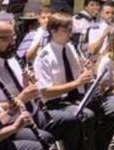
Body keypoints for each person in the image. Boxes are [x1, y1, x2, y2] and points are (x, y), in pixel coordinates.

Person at [0, 20, 84, 150]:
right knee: (45, 139)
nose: (12, 43)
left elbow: (24, 89)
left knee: (73, 120)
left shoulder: (12, 58)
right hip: (12, 123)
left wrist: (28, 83)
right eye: (6, 39)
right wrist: (22, 97)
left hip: (33, 113)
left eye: (13, 37)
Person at [31, 13, 97, 149]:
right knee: (86, 116)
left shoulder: (71, 48)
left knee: (100, 109)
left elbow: (79, 76)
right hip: (55, 103)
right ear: (53, 31)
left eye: (70, 30)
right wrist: (77, 83)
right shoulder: (44, 57)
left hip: (77, 97)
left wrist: (88, 70)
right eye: (66, 30)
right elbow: (45, 92)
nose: (70, 34)